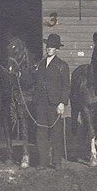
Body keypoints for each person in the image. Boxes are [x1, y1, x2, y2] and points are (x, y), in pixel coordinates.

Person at [32, 33, 70, 169]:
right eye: (48, 46)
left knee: (56, 133)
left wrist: (62, 103)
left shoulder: (62, 66)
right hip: (41, 103)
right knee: (41, 132)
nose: (49, 49)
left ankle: (56, 162)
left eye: (52, 47)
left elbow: (66, 86)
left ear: (57, 49)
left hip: (54, 104)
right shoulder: (40, 64)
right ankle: (43, 162)